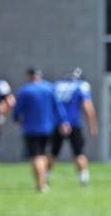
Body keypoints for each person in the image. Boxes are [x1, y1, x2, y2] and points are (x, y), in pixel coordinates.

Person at [13, 66, 69, 194]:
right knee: (43, 155)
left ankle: (40, 184)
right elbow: (58, 107)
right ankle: (43, 182)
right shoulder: (50, 88)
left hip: (31, 129)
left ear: (29, 76)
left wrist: (16, 119)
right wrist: (63, 122)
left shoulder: (25, 91)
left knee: (36, 156)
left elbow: (17, 110)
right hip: (48, 128)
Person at [49, 67, 98, 187]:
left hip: (58, 124)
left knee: (53, 153)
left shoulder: (57, 86)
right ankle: (83, 178)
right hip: (74, 123)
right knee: (79, 152)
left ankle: (44, 176)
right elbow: (88, 107)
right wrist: (92, 125)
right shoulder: (81, 86)